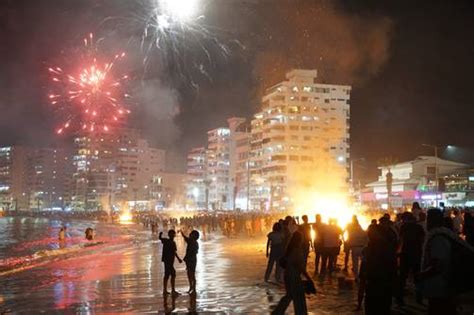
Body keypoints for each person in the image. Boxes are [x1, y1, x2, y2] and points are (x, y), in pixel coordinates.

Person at [272, 231, 314, 315]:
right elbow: (299, 266)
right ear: (299, 239)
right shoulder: (297, 250)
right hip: (293, 276)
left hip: (287, 274)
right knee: (298, 297)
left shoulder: (290, 248)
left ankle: (277, 312)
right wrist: (309, 278)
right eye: (302, 238)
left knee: (290, 295)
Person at [363, 223, 397, 315]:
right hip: (376, 285)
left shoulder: (383, 248)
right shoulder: (369, 248)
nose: (369, 235)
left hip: (380, 285)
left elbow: (392, 267)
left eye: (372, 233)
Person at [397, 212, 425, 306]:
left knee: (402, 277)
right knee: (417, 277)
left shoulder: (403, 227)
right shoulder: (419, 227)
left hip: (405, 254)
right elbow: (422, 240)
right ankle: (419, 298)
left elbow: (400, 240)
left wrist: (398, 253)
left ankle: (400, 299)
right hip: (416, 254)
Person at [159, 230, 182, 296]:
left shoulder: (171, 242)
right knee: (171, 274)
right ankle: (171, 290)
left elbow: (174, 252)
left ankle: (166, 290)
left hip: (169, 261)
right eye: (171, 234)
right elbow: (160, 238)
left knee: (168, 275)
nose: (172, 235)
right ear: (169, 235)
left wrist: (178, 259)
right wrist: (160, 235)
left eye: (173, 234)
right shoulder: (166, 241)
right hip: (168, 261)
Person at [181, 230, 200, 294]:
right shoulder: (194, 242)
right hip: (191, 259)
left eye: (191, 234)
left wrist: (182, 233)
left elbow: (186, 238)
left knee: (191, 274)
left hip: (191, 260)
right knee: (190, 274)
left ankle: (193, 288)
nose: (190, 235)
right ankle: (192, 287)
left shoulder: (192, 242)